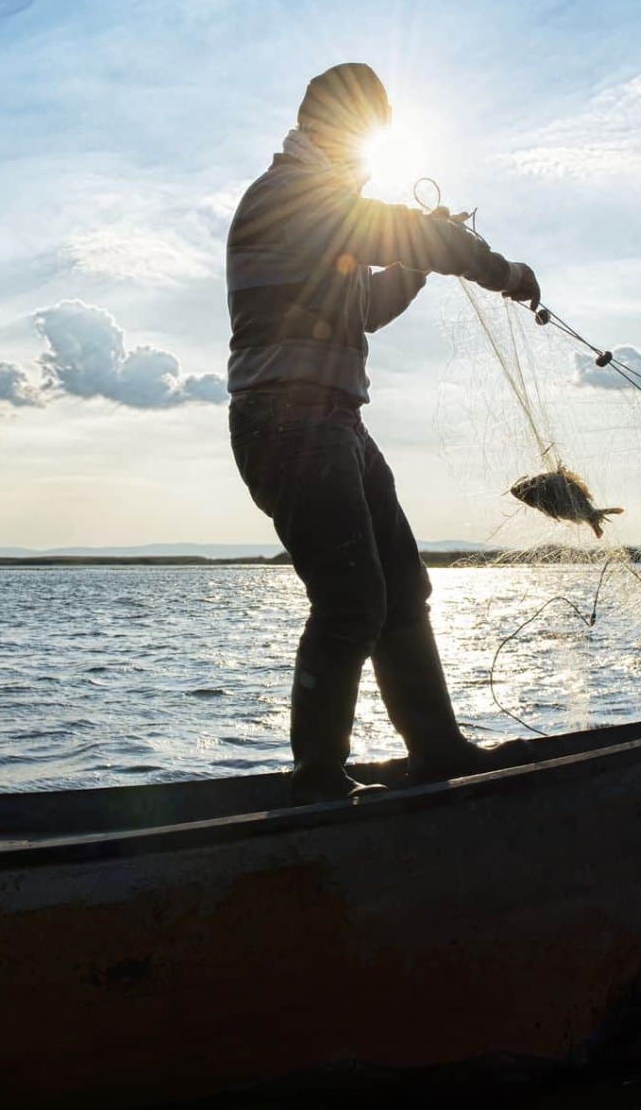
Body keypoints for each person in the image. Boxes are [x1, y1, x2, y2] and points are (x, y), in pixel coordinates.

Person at [226, 63, 542, 803]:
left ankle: (437, 751)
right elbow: (397, 231)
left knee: (403, 588)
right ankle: (315, 783)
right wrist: (502, 270)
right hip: (287, 423)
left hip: (334, 420)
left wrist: (421, 260)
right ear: (334, 130)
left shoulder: (324, 205)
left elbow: (362, 303)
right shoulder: (286, 198)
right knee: (350, 600)